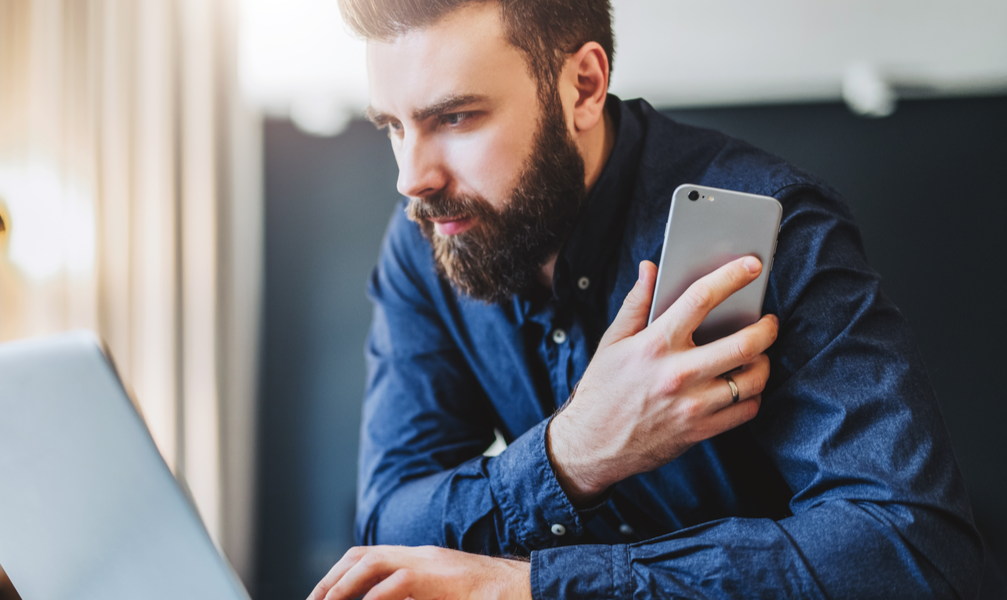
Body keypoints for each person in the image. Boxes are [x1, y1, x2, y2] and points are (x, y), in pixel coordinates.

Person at [308, 1, 984, 598]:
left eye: (454, 117)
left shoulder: (775, 224)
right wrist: (572, 456)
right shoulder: (430, 236)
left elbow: (916, 554)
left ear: (584, 85)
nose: (411, 179)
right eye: (392, 127)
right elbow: (388, 523)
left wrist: (544, 588)